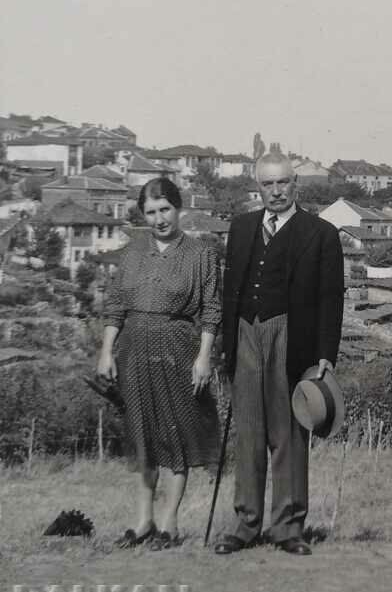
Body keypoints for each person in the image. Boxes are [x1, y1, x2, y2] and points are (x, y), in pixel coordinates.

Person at [215, 151, 344, 556]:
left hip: (293, 336)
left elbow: (330, 297)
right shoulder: (240, 229)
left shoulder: (320, 233)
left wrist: (325, 352)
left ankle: (288, 528)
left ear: (295, 184)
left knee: (288, 434)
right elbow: (230, 291)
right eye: (267, 184)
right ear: (258, 187)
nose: (275, 191)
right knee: (249, 433)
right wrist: (227, 344)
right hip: (246, 334)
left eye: (282, 183)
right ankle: (245, 525)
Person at [96, 177, 220, 550]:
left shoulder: (201, 254)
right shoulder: (132, 252)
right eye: (151, 212)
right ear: (143, 215)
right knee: (142, 435)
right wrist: (106, 351)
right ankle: (143, 520)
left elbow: (212, 310)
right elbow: (115, 305)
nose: (159, 218)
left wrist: (203, 357)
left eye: (165, 209)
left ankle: (169, 523)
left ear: (178, 208)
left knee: (176, 434)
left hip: (178, 351)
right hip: (133, 353)